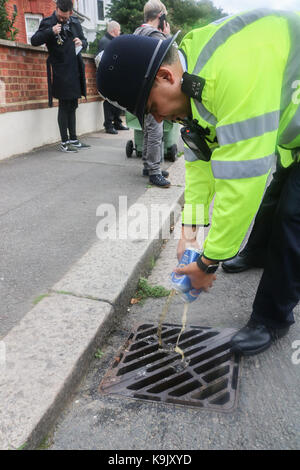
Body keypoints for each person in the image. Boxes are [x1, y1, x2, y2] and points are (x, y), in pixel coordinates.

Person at [97, 9, 300, 356]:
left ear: (164, 76)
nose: (158, 118)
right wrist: (190, 232)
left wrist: (209, 262)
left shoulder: (234, 72)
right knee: (274, 199)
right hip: (289, 134)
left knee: (292, 216)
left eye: (152, 108)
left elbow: (243, 176)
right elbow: (200, 162)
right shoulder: (193, 78)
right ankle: (255, 252)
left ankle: (272, 318)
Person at [31, 0, 90, 153]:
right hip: (61, 71)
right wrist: (51, 32)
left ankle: (74, 139)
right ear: (56, 9)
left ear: (71, 12)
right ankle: (64, 142)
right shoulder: (48, 22)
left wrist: (81, 42)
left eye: (66, 17)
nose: (63, 19)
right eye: (61, 16)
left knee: (73, 104)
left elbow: (85, 41)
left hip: (76, 68)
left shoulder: (75, 22)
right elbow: (34, 41)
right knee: (64, 105)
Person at [134, 0, 171, 187]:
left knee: (148, 129)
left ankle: (149, 165)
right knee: (155, 130)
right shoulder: (155, 35)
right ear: (160, 16)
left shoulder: (137, 32)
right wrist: (168, 35)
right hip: (154, 91)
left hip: (141, 91)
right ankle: (154, 172)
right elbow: (171, 56)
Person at [98, 21, 129, 135]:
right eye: (119, 30)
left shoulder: (112, 41)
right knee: (109, 101)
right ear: (114, 30)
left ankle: (117, 122)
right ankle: (108, 125)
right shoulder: (105, 42)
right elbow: (102, 60)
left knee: (118, 99)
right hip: (108, 76)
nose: (120, 32)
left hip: (116, 75)